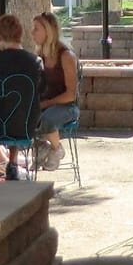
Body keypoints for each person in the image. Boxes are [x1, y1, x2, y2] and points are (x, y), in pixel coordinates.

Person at [0, 14, 45, 180]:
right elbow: (41, 95)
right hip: (28, 126)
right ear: (20, 34)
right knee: (15, 111)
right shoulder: (36, 61)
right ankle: (10, 163)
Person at [33, 12, 80, 169]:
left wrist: (46, 103)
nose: (32, 33)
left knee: (47, 119)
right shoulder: (40, 56)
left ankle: (55, 148)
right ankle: (42, 147)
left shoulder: (66, 56)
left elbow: (71, 94)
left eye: (36, 29)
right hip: (46, 104)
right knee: (20, 117)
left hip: (67, 106)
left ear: (48, 31)